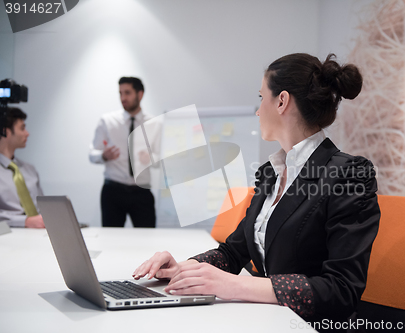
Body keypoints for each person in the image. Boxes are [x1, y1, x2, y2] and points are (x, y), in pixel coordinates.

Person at [132, 53, 380, 330]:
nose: (258, 110)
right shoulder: (271, 172)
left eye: (262, 98)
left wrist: (237, 286)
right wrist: (183, 269)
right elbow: (233, 252)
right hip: (266, 320)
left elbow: (341, 289)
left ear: (282, 101)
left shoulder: (349, 173)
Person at [89, 77, 156, 228]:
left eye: (127, 93)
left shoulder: (153, 123)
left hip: (142, 192)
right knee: (111, 240)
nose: (123, 98)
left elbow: (163, 155)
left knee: (148, 238)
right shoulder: (107, 121)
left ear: (140, 94)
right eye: (120, 93)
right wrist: (103, 156)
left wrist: (152, 158)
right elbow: (92, 154)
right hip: (113, 191)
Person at [0, 107, 45, 228]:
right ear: (6, 132)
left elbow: (43, 208)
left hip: (41, 233)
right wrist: (24, 221)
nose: (27, 133)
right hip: (10, 235)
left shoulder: (29, 169)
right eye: (22, 128)